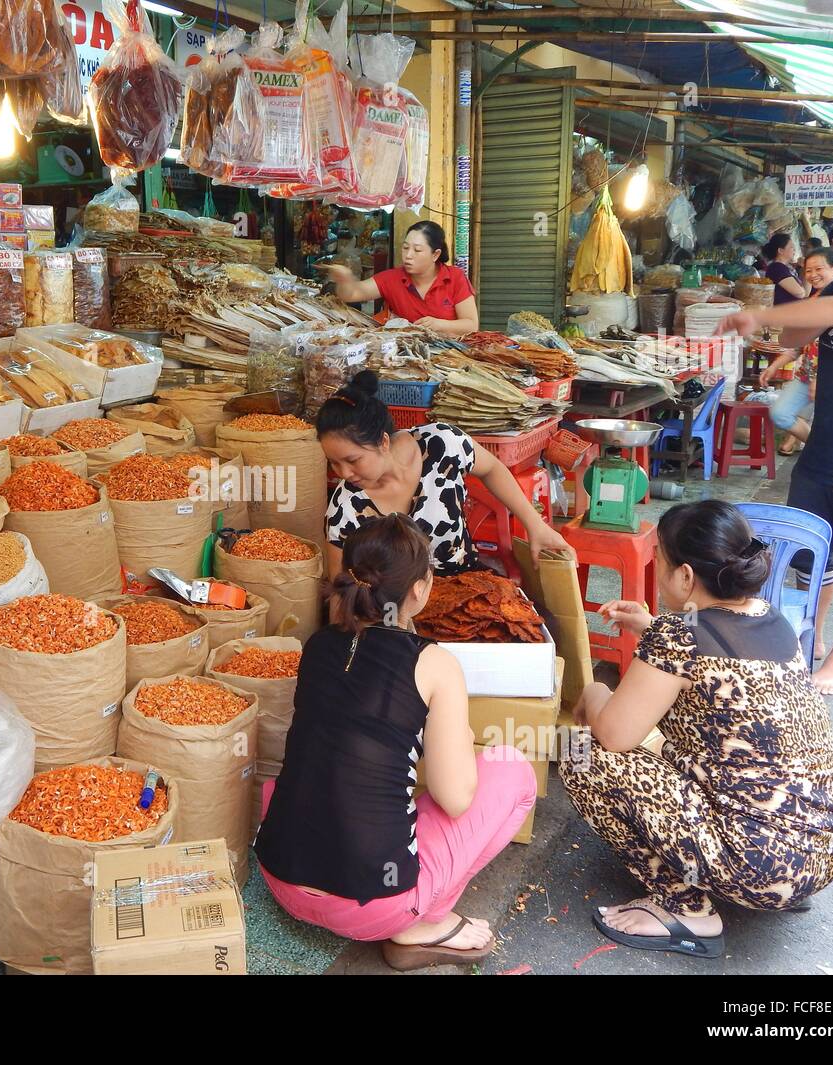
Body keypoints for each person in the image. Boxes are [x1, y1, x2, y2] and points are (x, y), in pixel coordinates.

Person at [562, 500, 833, 959]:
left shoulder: (679, 636)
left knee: (579, 750)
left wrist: (591, 692)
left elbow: (616, 735)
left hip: (761, 864)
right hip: (825, 846)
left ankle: (688, 911)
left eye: (658, 560)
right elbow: (714, 655)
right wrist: (652, 627)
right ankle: (755, 882)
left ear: (684, 576)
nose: (656, 570)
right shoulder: (769, 616)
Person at [254, 514, 538, 971]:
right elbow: (456, 796)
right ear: (422, 589)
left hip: (280, 877)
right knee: (513, 770)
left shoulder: (317, 644)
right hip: (371, 906)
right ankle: (424, 923)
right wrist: (463, 740)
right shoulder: (435, 663)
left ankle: (396, 907)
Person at [717, 207, 833, 693]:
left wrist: (758, 313)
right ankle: (811, 639)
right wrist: (827, 291)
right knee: (811, 554)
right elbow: (797, 336)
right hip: (825, 448)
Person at [317, 371, 572, 577]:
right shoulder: (345, 506)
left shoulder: (441, 444)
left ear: (383, 442)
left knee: (542, 628)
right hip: (394, 611)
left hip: (465, 581)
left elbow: (493, 468)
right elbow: (342, 582)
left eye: (353, 460)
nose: (344, 473)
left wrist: (535, 525)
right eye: (334, 463)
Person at [320, 221, 479, 335]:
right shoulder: (392, 278)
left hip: (451, 358)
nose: (408, 255)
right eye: (405, 248)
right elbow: (352, 293)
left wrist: (439, 324)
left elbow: (471, 325)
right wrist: (344, 279)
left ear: (435, 254)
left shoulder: (455, 277)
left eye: (417, 250)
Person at [761, 246, 833, 455]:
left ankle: (829, 455)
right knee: (780, 413)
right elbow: (801, 344)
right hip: (806, 375)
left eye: (819, 269)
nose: (813, 275)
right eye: (808, 270)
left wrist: (819, 378)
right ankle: (823, 452)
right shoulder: (812, 301)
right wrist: (775, 366)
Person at [760, 232, 810, 304]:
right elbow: (800, 293)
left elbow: (806, 293)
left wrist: (807, 268)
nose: (794, 250)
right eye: (791, 247)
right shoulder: (777, 268)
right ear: (780, 250)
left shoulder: (787, 268)